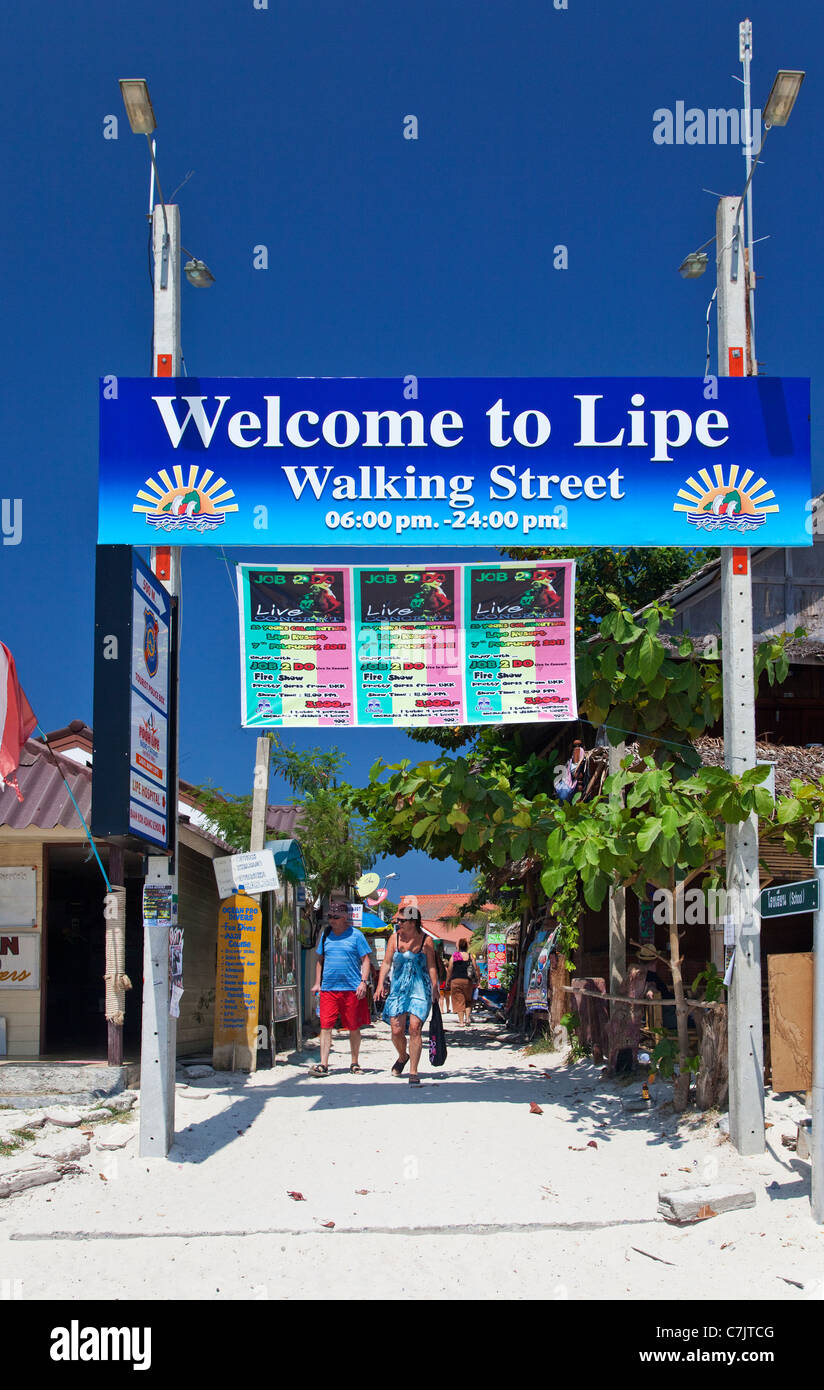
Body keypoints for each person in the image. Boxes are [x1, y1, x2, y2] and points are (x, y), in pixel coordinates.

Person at [375, 905, 439, 1086]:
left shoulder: (426, 941)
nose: (397, 923)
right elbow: (386, 964)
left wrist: (435, 986)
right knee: (396, 1030)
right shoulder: (394, 939)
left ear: (412, 922)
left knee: (415, 1028)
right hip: (398, 989)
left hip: (419, 988)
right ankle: (403, 1056)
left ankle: (413, 1071)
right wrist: (380, 984)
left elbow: (432, 966)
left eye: (401, 920)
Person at [309, 903, 372, 1076]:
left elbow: (366, 959)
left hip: (351, 988)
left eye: (335, 917)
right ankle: (323, 1063)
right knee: (325, 1026)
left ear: (345, 917)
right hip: (329, 988)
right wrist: (317, 983)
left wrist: (363, 982)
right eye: (330, 917)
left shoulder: (356, 936)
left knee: (353, 1026)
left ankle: (354, 1062)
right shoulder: (325, 935)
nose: (331, 920)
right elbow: (320, 960)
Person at [446, 937, 476, 1026]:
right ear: (467, 946)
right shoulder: (470, 956)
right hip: (468, 981)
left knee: (459, 1000)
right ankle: (467, 1019)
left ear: (458, 946)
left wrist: (447, 980)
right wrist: (477, 980)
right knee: (468, 1000)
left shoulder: (454, 956)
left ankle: (461, 1022)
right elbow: (475, 968)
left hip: (456, 981)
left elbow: (449, 970)